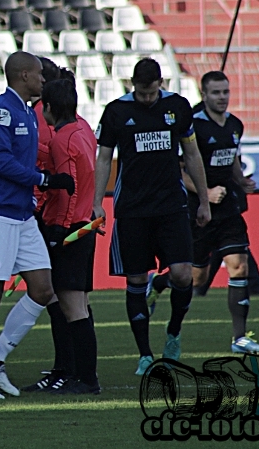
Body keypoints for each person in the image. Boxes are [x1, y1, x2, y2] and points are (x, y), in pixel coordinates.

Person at [0, 53, 74, 400]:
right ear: (23, 75)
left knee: (43, 289)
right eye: (39, 75)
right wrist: (44, 178)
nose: (44, 80)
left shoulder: (28, 111)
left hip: (22, 216)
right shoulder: (0, 111)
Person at [93, 58, 211, 376]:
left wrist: (204, 200)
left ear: (161, 82)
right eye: (141, 93)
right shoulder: (116, 111)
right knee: (134, 280)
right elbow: (103, 157)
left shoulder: (178, 107)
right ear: (133, 84)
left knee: (184, 275)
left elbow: (192, 153)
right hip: (132, 210)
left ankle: (173, 333)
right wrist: (97, 202)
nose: (146, 99)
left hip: (172, 207)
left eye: (151, 92)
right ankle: (145, 354)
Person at [146, 71, 259, 355]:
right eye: (215, 93)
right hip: (199, 211)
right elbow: (181, 168)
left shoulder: (235, 124)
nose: (222, 97)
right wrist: (205, 194)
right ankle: (159, 282)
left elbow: (233, 159)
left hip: (229, 210)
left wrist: (242, 179)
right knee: (194, 279)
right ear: (204, 94)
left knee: (239, 266)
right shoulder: (194, 124)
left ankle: (239, 338)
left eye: (225, 92)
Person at [37, 79, 100, 394]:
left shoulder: (61, 139)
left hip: (70, 230)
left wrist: (59, 229)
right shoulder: (85, 129)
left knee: (71, 307)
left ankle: (85, 378)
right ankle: (78, 374)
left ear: (48, 106)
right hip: (84, 225)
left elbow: (68, 186)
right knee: (80, 307)